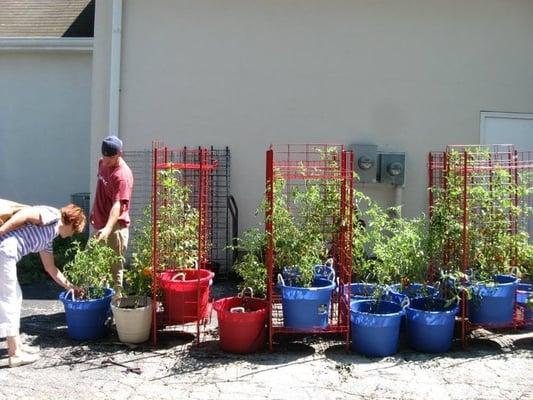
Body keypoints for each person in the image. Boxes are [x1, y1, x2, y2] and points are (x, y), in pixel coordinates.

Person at [0, 204, 86, 368]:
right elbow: (24, 215)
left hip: (6, 255)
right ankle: (15, 353)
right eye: (75, 231)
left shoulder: (48, 238)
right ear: (72, 223)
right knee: (10, 299)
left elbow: (51, 269)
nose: (71, 236)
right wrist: (1, 232)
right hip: (4, 252)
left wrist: (71, 287)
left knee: (15, 298)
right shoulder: (52, 216)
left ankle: (17, 346)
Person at [90, 135, 134, 298]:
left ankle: (116, 308)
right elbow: (101, 190)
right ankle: (100, 305)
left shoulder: (122, 176)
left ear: (119, 154)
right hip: (100, 225)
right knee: (97, 265)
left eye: (110, 158)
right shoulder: (102, 163)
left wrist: (107, 229)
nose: (106, 161)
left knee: (115, 269)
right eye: (104, 157)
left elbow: (118, 205)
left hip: (114, 229)